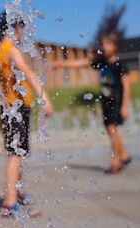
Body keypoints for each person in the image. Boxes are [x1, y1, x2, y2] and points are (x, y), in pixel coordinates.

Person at [0, 12, 53, 217]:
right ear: (15, 27)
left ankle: (18, 193)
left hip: (7, 109)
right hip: (17, 108)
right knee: (16, 155)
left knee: (18, 153)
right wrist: (44, 99)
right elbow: (28, 73)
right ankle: (10, 202)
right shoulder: (12, 50)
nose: (22, 31)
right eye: (21, 26)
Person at [51, 33, 131, 174]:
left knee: (111, 130)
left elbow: (126, 86)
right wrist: (60, 64)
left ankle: (115, 161)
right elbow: (80, 63)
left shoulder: (119, 65)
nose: (104, 47)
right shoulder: (102, 62)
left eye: (108, 44)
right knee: (111, 130)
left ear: (115, 47)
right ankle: (124, 155)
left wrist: (124, 106)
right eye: (103, 44)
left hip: (116, 102)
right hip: (105, 101)